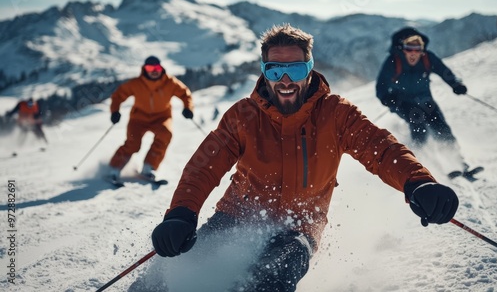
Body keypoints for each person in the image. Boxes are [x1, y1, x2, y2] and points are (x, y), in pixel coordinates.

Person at [151, 24, 459, 292]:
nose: (285, 79)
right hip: (236, 217)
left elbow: (381, 149)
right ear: (263, 71)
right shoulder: (244, 115)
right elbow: (204, 165)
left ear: (309, 68)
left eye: (295, 70)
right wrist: (181, 213)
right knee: (167, 274)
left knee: (270, 280)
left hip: (298, 229)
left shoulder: (336, 113)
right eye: (274, 70)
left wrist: (417, 183)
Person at [376, 27, 467, 147]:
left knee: (440, 126)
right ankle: (419, 159)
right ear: (403, 49)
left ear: (422, 50)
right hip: (402, 102)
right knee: (417, 123)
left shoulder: (428, 58)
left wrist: (456, 84)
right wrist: (387, 98)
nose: (413, 53)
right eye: (409, 48)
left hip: (425, 99)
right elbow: (381, 85)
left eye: (417, 49)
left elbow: (444, 71)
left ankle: (457, 159)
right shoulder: (393, 61)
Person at [107, 56, 194, 181]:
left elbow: (185, 94)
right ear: (145, 69)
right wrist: (115, 111)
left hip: (162, 117)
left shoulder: (170, 82)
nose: (154, 71)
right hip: (138, 118)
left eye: (157, 67)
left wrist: (188, 108)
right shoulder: (136, 83)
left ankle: (149, 167)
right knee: (133, 143)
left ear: (161, 68)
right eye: (150, 68)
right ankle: (114, 169)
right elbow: (118, 96)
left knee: (165, 134)